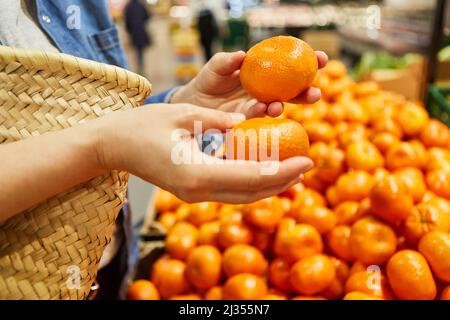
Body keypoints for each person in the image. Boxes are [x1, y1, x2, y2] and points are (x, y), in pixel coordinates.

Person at [0, 0, 327, 299]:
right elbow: (107, 134)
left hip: (108, 265)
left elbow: (110, 119)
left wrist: (183, 104)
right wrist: (103, 147)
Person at [124, 0, 152, 72]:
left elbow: (126, 21)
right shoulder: (141, 5)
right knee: (140, 50)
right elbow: (147, 16)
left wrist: (128, 30)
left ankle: (139, 65)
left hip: (133, 32)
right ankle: (140, 65)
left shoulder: (128, 6)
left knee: (137, 50)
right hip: (141, 30)